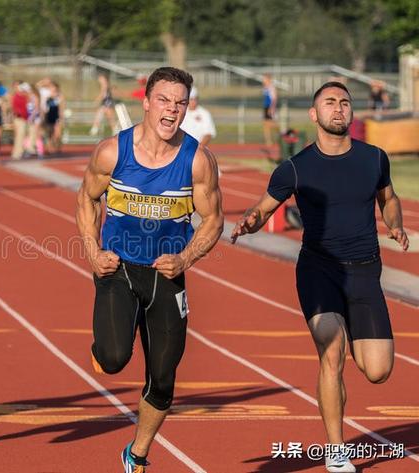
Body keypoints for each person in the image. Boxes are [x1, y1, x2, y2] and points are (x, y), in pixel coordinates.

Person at [231, 82, 409, 473]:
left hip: (365, 273)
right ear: (315, 115)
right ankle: (336, 450)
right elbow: (264, 208)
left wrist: (394, 224)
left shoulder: (374, 158)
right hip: (319, 270)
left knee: (378, 371)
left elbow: (389, 198)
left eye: (345, 103)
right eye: (330, 103)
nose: (339, 109)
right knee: (332, 351)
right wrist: (250, 221)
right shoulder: (296, 168)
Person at [76, 67, 223, 473]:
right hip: (118, 267)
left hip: (167, 274)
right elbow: (87, 200)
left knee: (163, 378)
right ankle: (103, 349)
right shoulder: (112, 151)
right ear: (146, 102)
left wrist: (185, 258)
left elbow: (213, 221)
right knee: (113, 357)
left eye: (179, 102)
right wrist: (92, 250)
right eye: (163, 100)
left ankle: (136, 455)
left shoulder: (198, 161)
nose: (171, 110)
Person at [262, 74, 278, 146]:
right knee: (265, 125)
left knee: (271, 124)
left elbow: (274, 99)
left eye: (264, 79)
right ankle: (268, 141)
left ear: (268, 79)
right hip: (265, 107)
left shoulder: (271, 87)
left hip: (270, 107)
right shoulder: (265, 87)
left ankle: (283, 134)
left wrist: (272, 108)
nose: (263, 80)